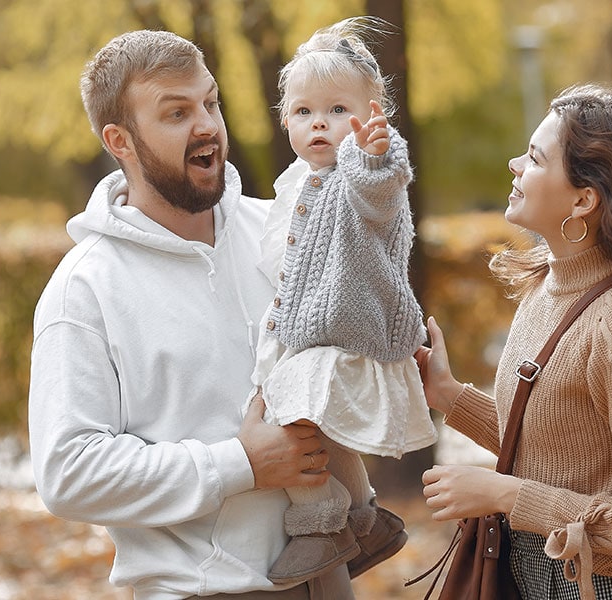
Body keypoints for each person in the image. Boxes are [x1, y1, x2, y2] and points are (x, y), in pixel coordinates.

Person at [28, 30, 356, 599]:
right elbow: (69, 472)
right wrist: (241, 463)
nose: (206, 125)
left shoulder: (285, 229)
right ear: (120, 141)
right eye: (177, 112)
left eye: (211, 102)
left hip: (332, 577)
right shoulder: (84, 289)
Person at [415, 84, 612, 600]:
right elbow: (553, 447)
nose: (514, 164)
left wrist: (507, 494)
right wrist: (447, 395)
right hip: (545, 578)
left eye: (534, 158)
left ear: (583, 199)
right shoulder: (546, 287)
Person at [248, 17, 437, 586]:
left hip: (348, 334)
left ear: (373, 111)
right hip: (302, 330)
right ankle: (362, 516)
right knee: (295, 427)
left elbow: (378, 198)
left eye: (336, 111)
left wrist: (373, 154)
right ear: (286, 120)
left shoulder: (365, 170)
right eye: (304, 112)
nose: (319, 125)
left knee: (293, 422)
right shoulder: (294, 182)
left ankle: (320, 523)